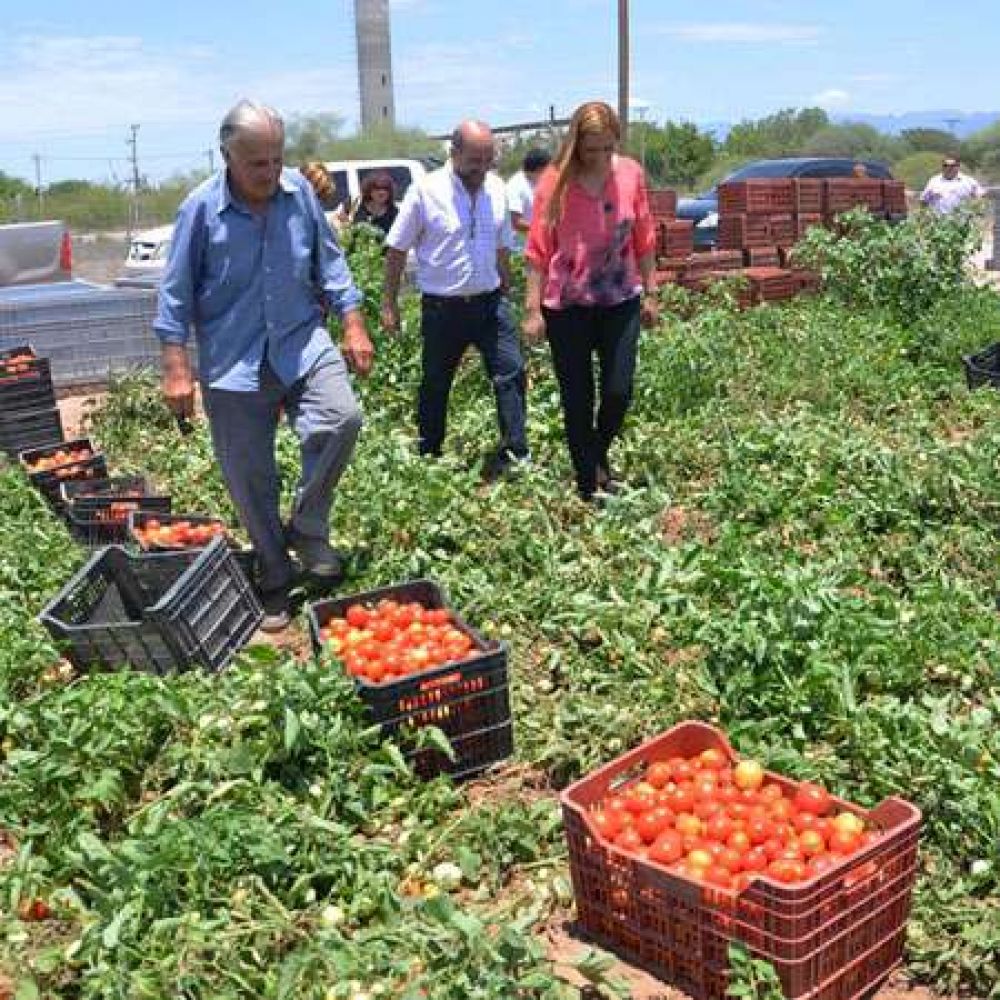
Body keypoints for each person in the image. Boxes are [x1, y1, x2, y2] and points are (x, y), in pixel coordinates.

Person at [154, 99, 374, 631]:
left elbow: (331, 265)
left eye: (277, 158)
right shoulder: (200, 210)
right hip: (233, 359)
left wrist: (353, 323)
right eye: (257, 163)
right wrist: (177, 367)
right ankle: (275, 573)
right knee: (249, 475)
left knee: (341, 418)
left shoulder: (299, 194)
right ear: (227, 155)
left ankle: (307, 525)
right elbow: (175, 293)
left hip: (301, 342)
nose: (271, 172)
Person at [522, 100, 658, 504]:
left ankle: (597, 456)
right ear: (576, 144)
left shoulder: (630, 173)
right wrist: (532, 309)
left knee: (618, 391)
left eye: (606, 147)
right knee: (577, 398)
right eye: (590, 148)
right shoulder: (555, 180)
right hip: (567, 305)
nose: (599, 156)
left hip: (620, 298)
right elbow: (538, 249)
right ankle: (588, 484)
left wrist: (652, 292)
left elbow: (644, 236)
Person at [381, 120, 529, 477]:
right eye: (474, 160)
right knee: (436, 381)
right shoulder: (426, 191)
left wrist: (507, 286)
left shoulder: (496, 188)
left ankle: (516, 454)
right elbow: (397, 249)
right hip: (442, 308)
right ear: (454, 152)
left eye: (488, 160)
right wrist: (389, 303)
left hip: (490, 303)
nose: (481, 168)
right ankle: (429, 455)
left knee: (510, 371)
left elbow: (501, 246)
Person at [506, 148, 552, 248]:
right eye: (548, 170)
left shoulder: (538, 181)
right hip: (518, 247)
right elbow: (516, 222)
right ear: (539, 169)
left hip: (536, 243)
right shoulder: (515, 186)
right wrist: (543, 231)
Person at [920, 156, 985, 215]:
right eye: (946, 165)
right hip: (939, 220)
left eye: (952, 166)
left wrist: (975, 209)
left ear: (958, 166)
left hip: (961, 219)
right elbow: (924, 200)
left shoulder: (968, 181)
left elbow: (980, 197)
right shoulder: (934, 181)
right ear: (942, 167)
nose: (949, 168)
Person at [353, 171, 399, 236]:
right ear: (369, 190)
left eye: (385, 189)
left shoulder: (394, 212)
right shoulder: (357, 206)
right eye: (377, 188)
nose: (381, 192)